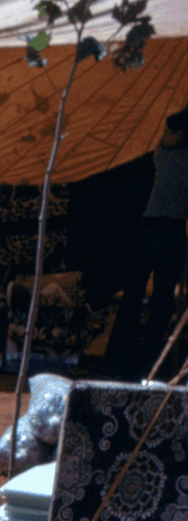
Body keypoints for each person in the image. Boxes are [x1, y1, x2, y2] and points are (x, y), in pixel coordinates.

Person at [104, 107, 188, 380]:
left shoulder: (163, 155)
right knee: (161, 301)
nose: (162, 136)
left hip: (153, 229)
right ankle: (150, 363)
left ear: (179, 134)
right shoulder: (172, 156)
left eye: (167, 132)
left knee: (135, 295)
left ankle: (120, 361)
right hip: (171, 232)